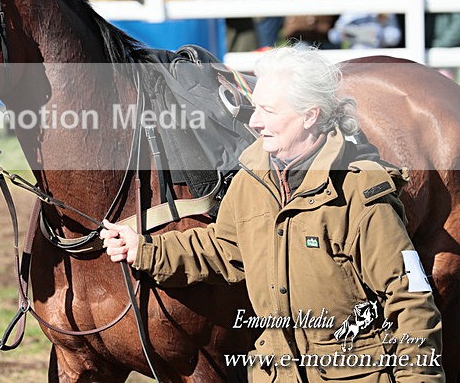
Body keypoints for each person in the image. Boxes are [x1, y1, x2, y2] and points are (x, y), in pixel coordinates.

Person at [100, 46, 444, 381]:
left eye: (269, 111)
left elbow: (410, 298)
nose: (255, 121)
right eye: (255, 108)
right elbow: (224, 248)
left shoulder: (358, 193)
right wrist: (143, 249)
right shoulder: (252, 180)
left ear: (310, 115)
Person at [328, 0, 401, 50]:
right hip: (354, 56)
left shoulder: (386, 9)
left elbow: (395, 36)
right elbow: (334, 35)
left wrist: (379, 35)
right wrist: (352, 34)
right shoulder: (352, 9)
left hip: (378, 56)